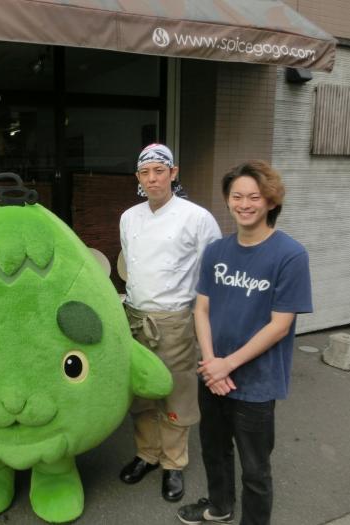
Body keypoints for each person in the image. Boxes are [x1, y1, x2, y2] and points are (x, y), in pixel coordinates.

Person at [177, 161, 312, 525]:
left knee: (255, 468)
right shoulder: (217, 251)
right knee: (214, 450)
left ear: (270, 202)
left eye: (255, 196)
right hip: (213, 374)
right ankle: (219, 507)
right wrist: (210, 363)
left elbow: (280, 326)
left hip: (256, 382)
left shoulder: (290, 255)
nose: (245, 203)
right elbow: (201, 309)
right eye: (237, 196)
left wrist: (227, 364)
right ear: (227, 200)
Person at [119, 143, 221, 502]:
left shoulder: (197, 217)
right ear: (138, 178)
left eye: (159, 171)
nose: (152, 179)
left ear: (173, 173)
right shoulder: (129, 217)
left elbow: (212, 274)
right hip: (134, 316)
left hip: (175, 320)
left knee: (174, 392)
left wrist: (204, 323)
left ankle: (173, 464)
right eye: (145, 173)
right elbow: (129, 265)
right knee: (142, 393)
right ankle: (147, 454)